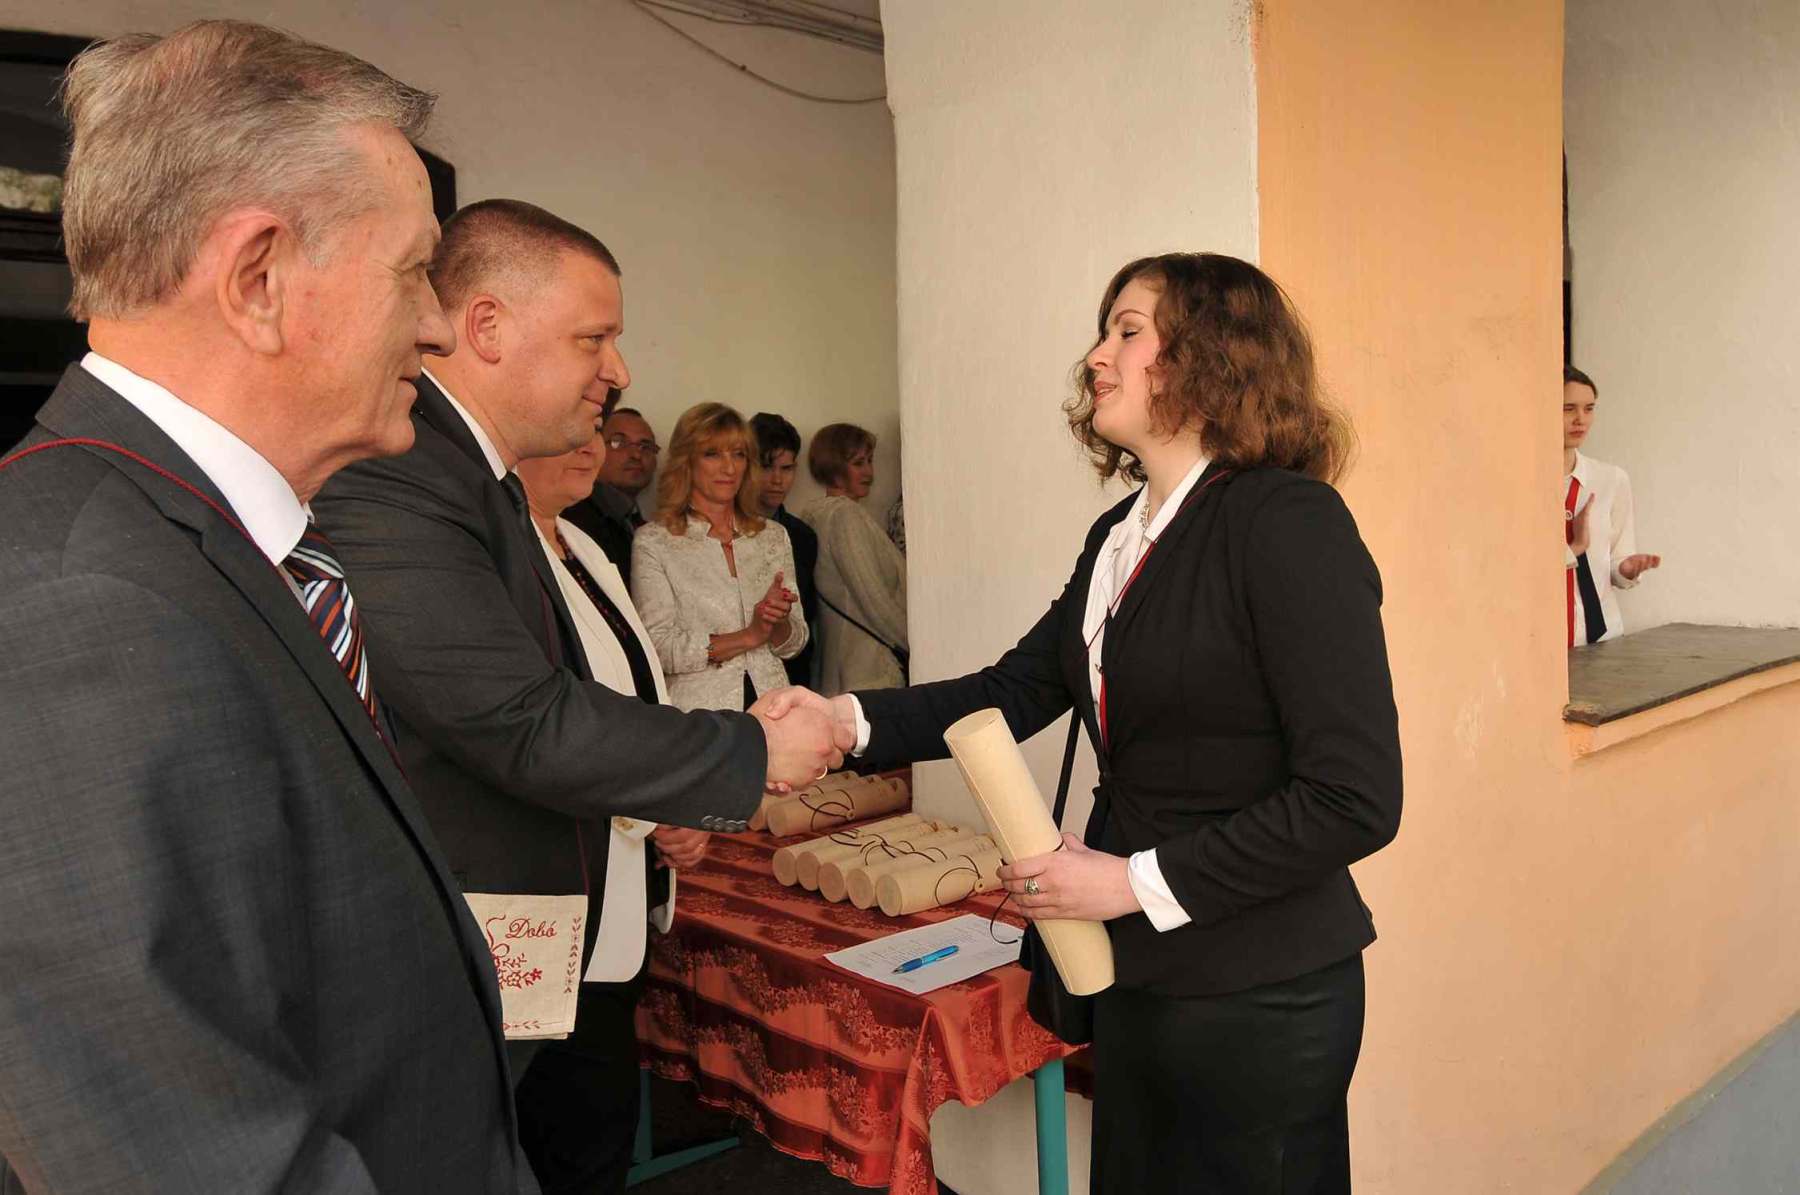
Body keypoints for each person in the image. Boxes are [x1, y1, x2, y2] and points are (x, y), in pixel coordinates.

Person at [0, 21, 531, 1192]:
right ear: (258, 280)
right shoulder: (73, 604)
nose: (439, 326)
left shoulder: (209, 542)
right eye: (413, 272)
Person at [774, 253, 1403, 1193]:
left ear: (1212, 354)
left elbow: (1356, 798)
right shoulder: (1118, 534)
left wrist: (1127, 880)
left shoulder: (1287, 521)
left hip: (1261, 992)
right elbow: (1013, 689)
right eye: (1105, 332)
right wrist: (841, 721)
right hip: (1139, 970)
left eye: (1127, 331)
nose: (1097, 357)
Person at [311, 199, 845, 1194]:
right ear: (486, 327)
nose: (619, 370)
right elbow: (518, 714)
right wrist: (747, 752)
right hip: (455, 950)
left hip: (542, 939)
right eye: (593, 338)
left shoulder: (480, 482)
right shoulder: (401, 471)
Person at [514, 424, 710, 1193]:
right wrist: (655, 805)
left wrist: (676, 801)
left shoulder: (586, 546)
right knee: (569, 1127)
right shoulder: (504, 556)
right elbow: (553, 731)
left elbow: (637, 697)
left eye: (595, 430)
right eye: (570, 427)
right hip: (555, 890)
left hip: (619, 885)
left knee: (599, 1117)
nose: (589, 446)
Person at [632, 403, 808, 713]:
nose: (729, 468)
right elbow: (656, 648)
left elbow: (795, 643)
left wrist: (777, 622)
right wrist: (748, 636)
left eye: (738, 454)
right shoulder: (654, 541)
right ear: (686, 461)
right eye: (712, 454)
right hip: (699, 719)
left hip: (775, 710)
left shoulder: (773, 535)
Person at [802, 422, 908, 695]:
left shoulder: (815, 515)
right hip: (865, 673)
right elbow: (875, 600)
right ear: (834, 466)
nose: (869, 472)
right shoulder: (844, 516)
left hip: (839, 670)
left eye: (869, 461)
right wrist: (917, 644)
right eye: (858, 463)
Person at [1563, 365, 1659, 646]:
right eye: (1568, 409)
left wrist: (1627, 568)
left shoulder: (1611, 480)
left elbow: (1615, 562)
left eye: (1589, 409)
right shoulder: (1523, 485)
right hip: (1539, 641)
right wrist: (1574, 548)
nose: (1581, 419)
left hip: (1600, 638)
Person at [750, 410, 819, 686]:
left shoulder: (803, 536)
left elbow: (807, 618)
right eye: (767, 467)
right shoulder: (722, 529)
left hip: (793, 674)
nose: (777, 480)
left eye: (786, 468)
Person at [565, 404, 657, 584]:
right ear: (595, 447)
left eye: (645, 446)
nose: (636, 455)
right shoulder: (573, 517)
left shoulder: (649, 528)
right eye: (618, 442)